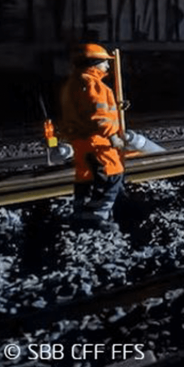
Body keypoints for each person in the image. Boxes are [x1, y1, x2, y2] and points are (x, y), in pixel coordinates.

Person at [58, 43, 127, 231]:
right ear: (95, 63)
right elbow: (99, 116)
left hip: (79, 141)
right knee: (112, 176)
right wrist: (113, 137)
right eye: (105, 62)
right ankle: (96, 217)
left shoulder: (72, 83)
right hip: (97, 141)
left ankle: (79, 215)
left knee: (85, 179)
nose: (107, 66)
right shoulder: (94, 85)